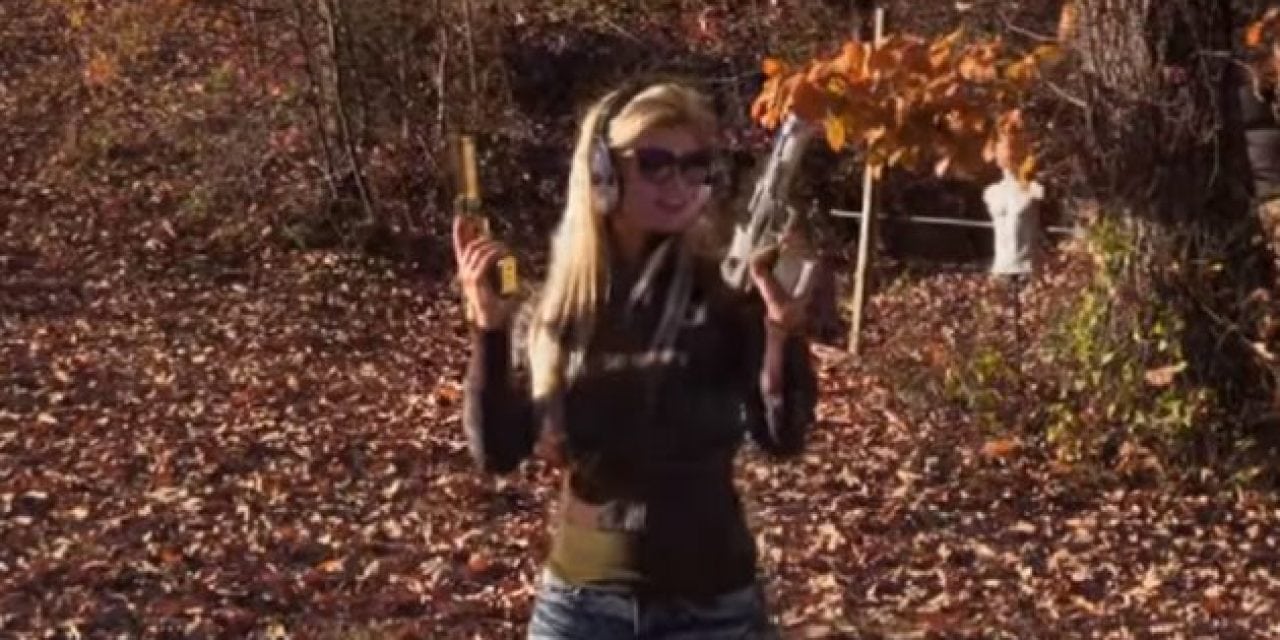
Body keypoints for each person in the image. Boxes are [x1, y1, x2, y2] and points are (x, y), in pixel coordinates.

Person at [452, 79, 818, 638]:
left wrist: (783, 332)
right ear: (601, 171)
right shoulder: (561, 310)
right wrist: (490, 329)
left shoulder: (723, 288)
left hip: (713, 607)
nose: (679, 184)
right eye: (655, 164)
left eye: (694, 165)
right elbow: (497, 451)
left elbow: (782, 435)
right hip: (582, 607)